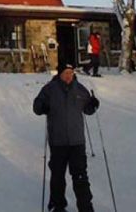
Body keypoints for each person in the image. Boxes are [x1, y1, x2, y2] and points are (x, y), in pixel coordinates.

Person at [33, 63, 100, 212]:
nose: (69, 76)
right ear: (60, 74)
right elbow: (37, 105)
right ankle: (58, 205)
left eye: (71, 72)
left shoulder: (80, 89)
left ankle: (85, 207)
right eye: (66, 73)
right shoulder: (50, 89)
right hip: (58, 141)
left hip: (77, 142)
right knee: (57, 176)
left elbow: (88, 109)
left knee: (80, 176)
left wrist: (94, 104)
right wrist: (41, 107)